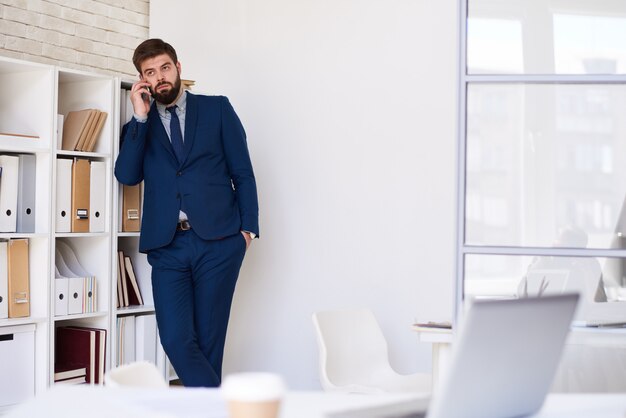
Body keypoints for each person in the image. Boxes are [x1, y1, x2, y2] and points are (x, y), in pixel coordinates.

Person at [115, 38, 259, 387]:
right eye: (150, 72)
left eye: (164, 67)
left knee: (210, 343)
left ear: (178, 68)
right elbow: (127, 175)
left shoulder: (217, 109)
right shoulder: (140, 125)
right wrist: (139, 116)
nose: (159, 76)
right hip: (168, 246)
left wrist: (247, 231)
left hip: (220, 241)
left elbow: (243, 172)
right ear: (142, 80)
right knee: (177, 340)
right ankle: (221, 408)